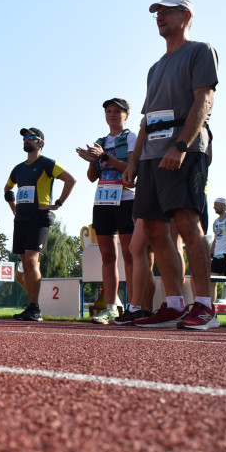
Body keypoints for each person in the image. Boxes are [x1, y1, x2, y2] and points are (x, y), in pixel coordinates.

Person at [121, 0, 219, 330]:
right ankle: (175, 303)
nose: (159, 16)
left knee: (188, 223)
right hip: (150, 153)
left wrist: (181, 145)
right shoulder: (155, 67)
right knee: (152, 228)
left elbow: (204, 99)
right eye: (156, 13)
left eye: (166, 11)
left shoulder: (199, 51)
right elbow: (146, 119)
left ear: (186, 15)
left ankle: (205, 306)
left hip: (184, 148)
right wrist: (133, 160)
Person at [4, 128, 76, 321]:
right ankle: (31, 306)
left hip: (39, 218)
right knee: (24, 263)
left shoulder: (47, 163)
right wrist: (14, 208)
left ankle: (35, 308)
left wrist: (58, 203)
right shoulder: (18, 168)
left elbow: (70, 180)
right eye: (24, 138)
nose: (26, 140)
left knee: (31, 260)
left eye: (30, 138)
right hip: (20, 220)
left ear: (40, 142)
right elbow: (7, 189)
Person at [76, 97, 137, 323]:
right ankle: (111, 306)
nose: (112, 115)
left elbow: (131, 169)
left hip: (126, 199)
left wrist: (105, 156)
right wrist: (93, 161)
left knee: (130, 255)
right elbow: (93, 177)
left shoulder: (131, 138)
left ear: (126, 115)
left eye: (117, 111)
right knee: (108, 256)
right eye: (108, 111)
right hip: (103, 201)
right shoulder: (100, 141)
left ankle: (134, 306)